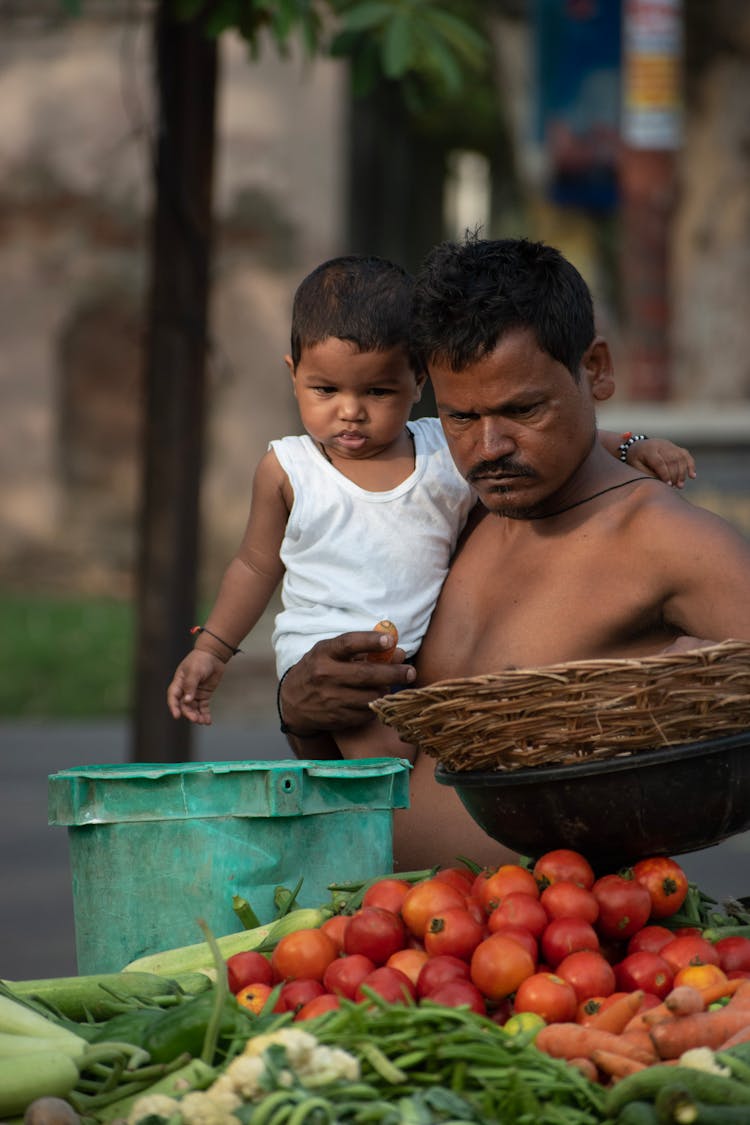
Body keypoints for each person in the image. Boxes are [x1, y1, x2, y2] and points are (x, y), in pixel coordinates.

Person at [276, 237, 750, 870]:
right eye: (460, 417)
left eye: (523, 409)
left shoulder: (670, 542)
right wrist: (305, 714)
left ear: (597, 370)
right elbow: (378, 777)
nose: (489, 447)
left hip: (568, 955)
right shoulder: (449, 521)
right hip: (389, 940)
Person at [167, 253, 693, 762]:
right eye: (324, 389)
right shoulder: (289, 469)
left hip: (416, 650)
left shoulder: (442, 450)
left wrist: (631, 444)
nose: (350, 412)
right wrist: (212, 651)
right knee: (387, 765)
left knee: (436, 748)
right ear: (293, 374)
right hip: (327, 652)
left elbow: (561, 435)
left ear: (418, 381)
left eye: (377, 391)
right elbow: (256, 566)